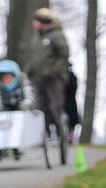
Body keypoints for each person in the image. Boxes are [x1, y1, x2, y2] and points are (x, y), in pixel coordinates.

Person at [25, 8, 71, 137]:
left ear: (41, 21)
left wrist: (54, 71)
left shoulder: (56, 35)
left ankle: (63, 136)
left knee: (56, 107)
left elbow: (64, 55)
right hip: (39, 80)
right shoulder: (36, 39)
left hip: (54, 78)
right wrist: (26, 73)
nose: (34, 24)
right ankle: (46, 138)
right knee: (42, 109)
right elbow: (34, 59)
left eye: (36, 21)